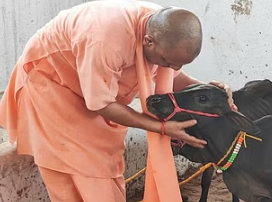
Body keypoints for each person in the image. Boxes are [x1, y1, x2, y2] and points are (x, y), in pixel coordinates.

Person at [0, 0, 237, 201]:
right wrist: (161, 127)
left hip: (91, 88)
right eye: (167, 61)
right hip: (53, 86)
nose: (173, 69)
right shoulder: (105, 40)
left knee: (104, 166)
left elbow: (174, 76)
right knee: (76, 168)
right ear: (149, 41)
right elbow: (101, 104)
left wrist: (208, 89)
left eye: (180, 63)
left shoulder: (161, 28)